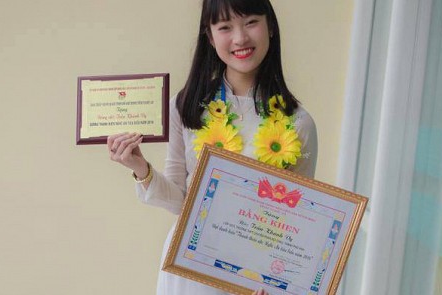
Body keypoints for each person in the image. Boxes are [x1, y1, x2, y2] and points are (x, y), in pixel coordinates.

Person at [107, 0, 317, 294]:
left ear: (270, 25)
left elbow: (299, 220)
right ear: (210, 35)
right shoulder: (187, 106)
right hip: (192, 270)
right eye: (225, 27)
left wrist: (275, 282)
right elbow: (181, 202)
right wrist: (140, 168)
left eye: (251, 22)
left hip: (256, 279)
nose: (240, 38)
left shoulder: (298, 123)